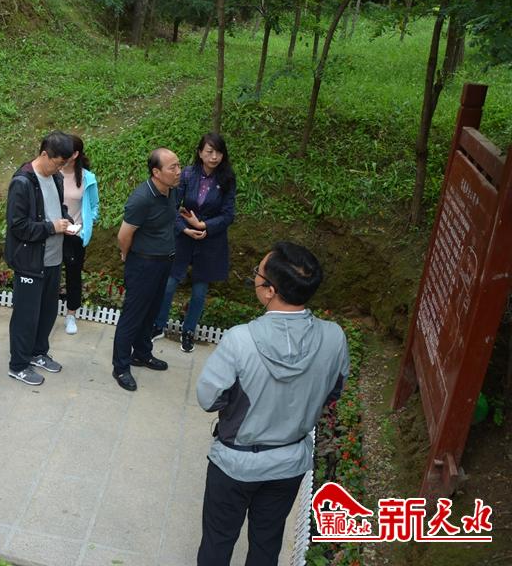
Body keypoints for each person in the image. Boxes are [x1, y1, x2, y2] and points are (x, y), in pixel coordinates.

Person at [196, 242, 348, 566]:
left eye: (258, 273)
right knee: (267, 543)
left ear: (270, 291)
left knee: (218, 541)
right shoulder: (334, 337)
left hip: (235, 463)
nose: (255, 278)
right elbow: (333, 392)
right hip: (289, 462)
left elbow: (209, 398)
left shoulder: (240, 339)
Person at [152, 133, 237, 352]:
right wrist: (185, 228)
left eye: (218, 152)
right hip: (183, 237)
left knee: (199, 291)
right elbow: (172, 206)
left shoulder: (227, 179)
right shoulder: (187, 175)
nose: (214, 157)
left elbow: (228, 214)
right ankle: (158, 325)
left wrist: (204, 226)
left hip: (210, 240)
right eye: (209, 152)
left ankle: (188, 331)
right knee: (169, 284)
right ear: (200, 153)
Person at [4, 132, 76, 386]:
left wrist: (66, 221)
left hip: (53, 258)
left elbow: (58, 209)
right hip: (30, 261)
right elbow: (18, 226)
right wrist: (51, 227)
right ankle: (18, 365)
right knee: (26, 315)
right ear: (45, 154)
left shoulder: (55, 178)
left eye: (64, 164)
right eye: (58, 162)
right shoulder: (23, 182)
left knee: (47, 312)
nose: (61, 168)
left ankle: (38, 353)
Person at [110, 148, 181, 392]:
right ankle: (120, 367)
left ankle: (142, 353)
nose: (178, 171)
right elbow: (124, 235)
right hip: (143, 264)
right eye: (172, 167)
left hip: (164, 262)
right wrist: (127, 255)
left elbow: (168, 220)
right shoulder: (141, 199)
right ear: (156, 172)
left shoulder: (171, 190)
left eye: (179, 165)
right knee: (133, 315)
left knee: (151, 312)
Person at [59, 134, 99, 336]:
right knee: (49, 272)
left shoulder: (87, 178)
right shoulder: (52, 173)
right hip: (52, 231)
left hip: (75, 235)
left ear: (75, 154)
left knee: (73, 275)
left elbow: (94, 206)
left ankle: (71, 315)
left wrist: (83, 228)